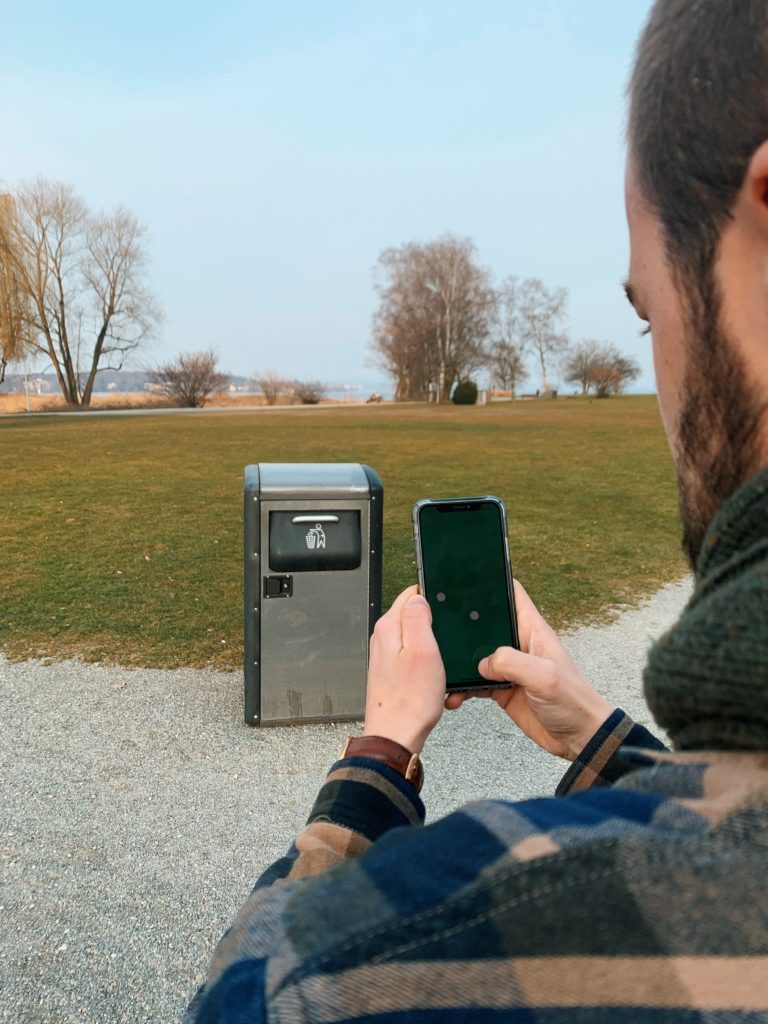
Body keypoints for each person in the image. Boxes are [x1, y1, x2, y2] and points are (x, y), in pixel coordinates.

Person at [185, 1, 768, 1019]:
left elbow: (258, 988)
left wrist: (378, 756)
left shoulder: (406, 954)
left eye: (649, 313)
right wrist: (605, 742)